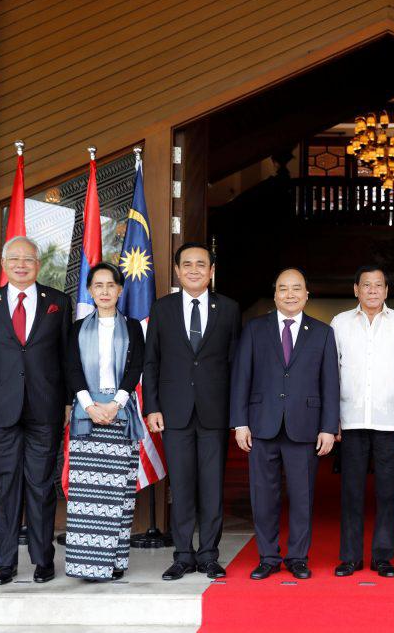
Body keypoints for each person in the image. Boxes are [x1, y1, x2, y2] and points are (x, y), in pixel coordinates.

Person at [0, 236, 72, 586]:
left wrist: (69, 401)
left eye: (28, 259)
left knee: (41, 485)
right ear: (4, 264)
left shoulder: (58, 302)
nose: (21, 265)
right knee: (7, 485)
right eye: (15, 259)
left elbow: (67, 358)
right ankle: (6, 562)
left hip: (46, 407)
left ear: (38, 265)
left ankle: (43, 560)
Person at [232, 268, 339, 580]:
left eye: (296, 288)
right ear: (275, 293)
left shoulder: (322, 333)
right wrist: (240, 422)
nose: (290, 294)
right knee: (263, 495)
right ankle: (267, 556)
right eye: (283, 288)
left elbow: (330, 383)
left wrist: (328, 427)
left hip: (305, 426)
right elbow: (242, 377)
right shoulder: (254, 329)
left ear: (307, 294)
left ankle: (297, 557)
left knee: (302, 496)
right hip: (261, 424)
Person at [143, 243, 240, 581]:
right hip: (174, 413)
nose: (195, 270)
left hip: (215, 412)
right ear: (177, 271)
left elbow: (235, 365)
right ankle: (183, 555)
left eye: (202, 264)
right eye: (188, 265)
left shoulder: (228, 309)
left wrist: (236, 413)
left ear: (212, 271)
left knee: (212, 487)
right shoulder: (162, 309)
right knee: (182, 487)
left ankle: (209, 555)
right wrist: (151, 407)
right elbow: (151, 361)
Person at [63, 262, 145, 582]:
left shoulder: (134, 327)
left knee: (118, 495)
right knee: (88, 498)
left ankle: (115, 561)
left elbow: (135, 367)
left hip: (119, 414)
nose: (105, 291)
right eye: (98, 285)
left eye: (111, 285)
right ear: (90, 290)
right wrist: (90, 405)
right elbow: (71, 368)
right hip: (87, 418)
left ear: (120, 289)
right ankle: (87, 565)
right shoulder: (77, 328)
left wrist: (115, 404)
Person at [330, 265, 394, 578]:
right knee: (351, 491)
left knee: (388, 491)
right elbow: (332, 374)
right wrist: (331, 418)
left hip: (390, 419)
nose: (373, 290)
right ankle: (350, 557)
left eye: (379, 285)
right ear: (356, 289)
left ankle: (382, 557)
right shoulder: (340, 324)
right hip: (350, 419)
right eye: (367, 285)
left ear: (386, 290)